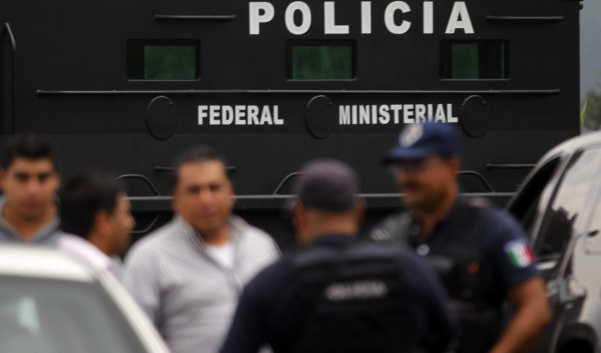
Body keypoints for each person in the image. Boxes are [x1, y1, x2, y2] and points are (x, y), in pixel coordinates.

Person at [220, 159, 458, 353]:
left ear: (299, 215)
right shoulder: (408, 267)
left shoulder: (272, 283)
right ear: (360, 210)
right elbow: (446, 335)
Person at [371, 122, 551, 353]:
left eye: (417, 165)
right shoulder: (389, 235)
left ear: (451, 166)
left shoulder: (494, 229)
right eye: (400, 167)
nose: (406, 178)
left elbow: (536, 308)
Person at [123, 145, 280, 353]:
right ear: (175, 199)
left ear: (230, 192)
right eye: (194, 190)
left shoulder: (261, 245)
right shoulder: (149, 258)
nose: (206, 200)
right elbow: (131, 341)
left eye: (214, 188)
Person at [58, 172, 135, 279]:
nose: (132, 223)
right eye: (126, 214)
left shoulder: (51, 264)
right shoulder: (93, 278)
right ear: (103, 222)